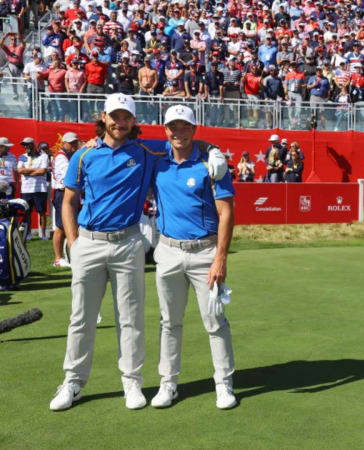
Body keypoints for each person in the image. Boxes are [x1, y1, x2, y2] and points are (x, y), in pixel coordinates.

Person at [49, 94, 227, 412]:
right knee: (81, 318)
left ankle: (131, 381)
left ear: (133, 121)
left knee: (130, 319)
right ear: (103, 117)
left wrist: (213, 149)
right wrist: (73, 243)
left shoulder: (147, 150)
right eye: (115, 116)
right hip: (88, 242)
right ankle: (73, 382)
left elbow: (184, 140)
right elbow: (68, 201)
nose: (120, 122)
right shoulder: (84, 154)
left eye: (126, 117)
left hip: (128, 242)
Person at [149, 105, 237, 410]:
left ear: (194, 129)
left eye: (184, 127)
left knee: (215, 321)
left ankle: (223, 384)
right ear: (165, 130)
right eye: (172, 127)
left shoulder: (212, 164)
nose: (178, 132)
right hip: (168, 251)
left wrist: (220, 259)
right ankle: (168, 383)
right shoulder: (157, 159)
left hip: (205, 252)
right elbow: (124, 139)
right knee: (169, 322)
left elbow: (226, 213)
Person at [52, 132, 80, 268]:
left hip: (69, 193)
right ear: (64, 143)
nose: (74, 145)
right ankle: (58, 258)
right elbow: (70, 175)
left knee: (72, 225)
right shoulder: (61, 157)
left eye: (75, 142)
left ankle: (73, 256)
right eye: (71, 143)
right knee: (61, 227)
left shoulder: (69, 156)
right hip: (62, 193)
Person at [17, 139, 50, 240]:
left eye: (27, 145)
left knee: (42, 212)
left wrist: (28, 173)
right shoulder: (22, 157)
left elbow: (43, 171)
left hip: (40, 189)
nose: (25, 147)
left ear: (32, 145)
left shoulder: (43, 156)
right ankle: (28, 234)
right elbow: (20, 170)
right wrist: (35, 170)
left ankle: (43, 235)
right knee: (27, 213)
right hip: (26, 190)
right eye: (24, 145)